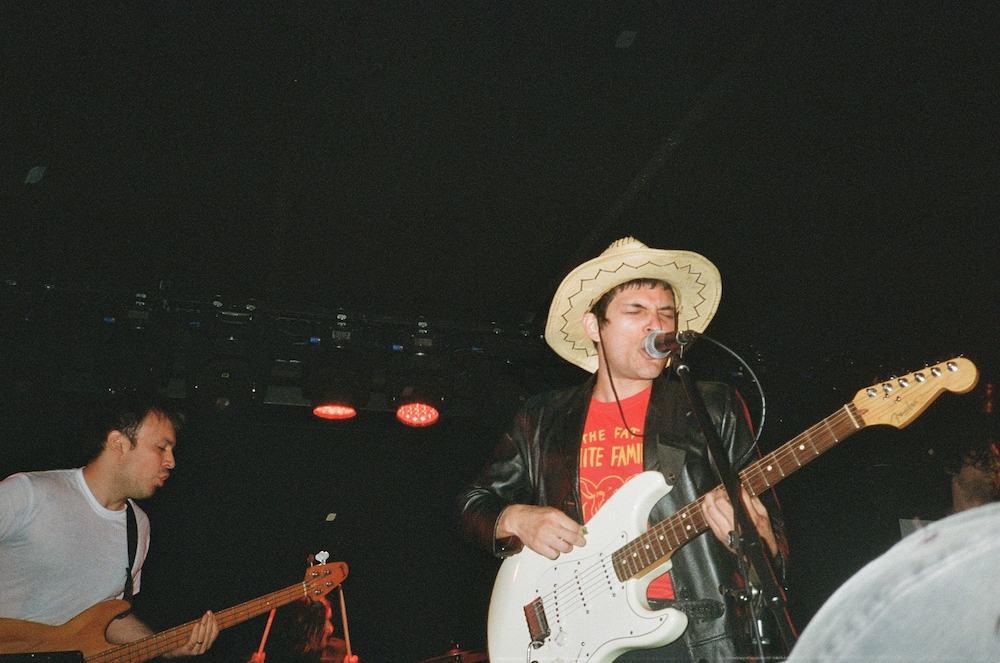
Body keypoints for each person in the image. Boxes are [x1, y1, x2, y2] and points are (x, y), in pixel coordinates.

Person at [458, 237, 788, 663]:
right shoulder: (543, 418)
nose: (656, 324)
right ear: (594, 327)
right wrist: (516, 517)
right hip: (575, 635)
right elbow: (472, 504)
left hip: (691, 636)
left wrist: (757, 537)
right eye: (636, 311)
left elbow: (773, 540)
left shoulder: (710, 406)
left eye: (666, 313)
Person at [0, 397, 219, 657]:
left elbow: (108, 617)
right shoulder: (28, 493)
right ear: (118, 443)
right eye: (161, 448)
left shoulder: (137, 526)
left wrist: (165, 646)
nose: (171, 461)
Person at [252, 596, 358, 663]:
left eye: (329, 620)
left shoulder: (338, 652)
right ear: (307, 627)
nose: (331, 629)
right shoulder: (277, 655)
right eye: (323, 623)